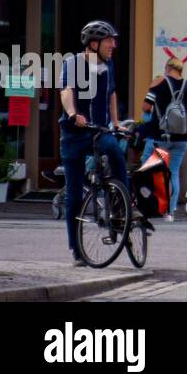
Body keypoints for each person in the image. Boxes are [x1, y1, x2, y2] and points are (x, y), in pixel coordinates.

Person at [58, 21, 130, 265]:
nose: (114, 45)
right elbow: (66, 89)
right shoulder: (74, 63)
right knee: (74, 195)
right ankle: (77, 251)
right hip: (74, 135)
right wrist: (71, 114)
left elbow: (111, 93)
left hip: (99, 131)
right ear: (93, 43)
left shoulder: (107, 65)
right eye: (109, 40)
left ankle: (122, 207)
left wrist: (117, 122)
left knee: (116, 153)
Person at [140, 58, 187, 221]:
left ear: (167, 67)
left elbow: (146, 107)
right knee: (173, 172)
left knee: (148, 170)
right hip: (181, 139)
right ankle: (170, 211)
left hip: (158, 136)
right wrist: (182, 122)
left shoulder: (159, 83)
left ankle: (149, 206)